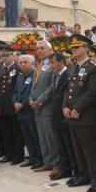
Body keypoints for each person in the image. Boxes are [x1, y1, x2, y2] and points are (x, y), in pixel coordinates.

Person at [62, 35, 96, 192]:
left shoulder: (94, 68)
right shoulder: (75, 68)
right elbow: (68, 91)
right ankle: (83, 176)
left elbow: (91, 93)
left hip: (86, 116)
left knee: (90, 150)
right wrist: (64, 106)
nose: (73, 50)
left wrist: (77, 109)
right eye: (72, 47)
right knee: (78, 149)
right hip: (72, 116)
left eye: (76, 47)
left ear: (86, 49)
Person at [29, 40, 58, 171]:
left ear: (50, 50)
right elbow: (33, 87)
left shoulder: (52, 66)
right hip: (37, 108)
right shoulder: (39, 66)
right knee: (42, 138)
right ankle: (47, 163)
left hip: (47, 107)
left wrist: (40, 101)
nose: (39, 51)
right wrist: (31, 99)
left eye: (42, 48)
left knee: (51, 137)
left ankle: (57, 164)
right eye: (37, 48)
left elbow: (52, 86)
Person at [48, 52, 77, 182]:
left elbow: (68, 95)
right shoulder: (56, 76)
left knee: (70, 146)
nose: (51, 66)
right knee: (61, 145)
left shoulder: (68, 75)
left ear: (61, 62)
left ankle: (75, 170)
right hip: (56, 116)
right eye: (50, 63)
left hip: (65, 116)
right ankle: (65, 169)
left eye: (53, 63)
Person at [12, 54, 43, 169]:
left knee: (36, 137)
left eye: (25, 62)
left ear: (33, 63)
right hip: (20, 112)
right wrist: (15, 102)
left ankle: (40, 159)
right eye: (21, 63)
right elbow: (15, 92)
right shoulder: (20, 77)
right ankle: (32, 157)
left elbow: (32, 93)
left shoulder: (36, 75)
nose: (23, 65)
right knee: (27, 137)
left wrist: (22, 104)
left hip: (30, 110)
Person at [0, 45, 24, 165]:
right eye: (3, 56)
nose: (5, 58)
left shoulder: (17, 68)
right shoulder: (2, 68)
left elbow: (20, 87)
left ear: (12, 56)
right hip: (3, 105)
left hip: (13, 105)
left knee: (16, 132)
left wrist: (17, 102)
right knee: (6, 131)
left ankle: (18, 155)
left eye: (7, 55)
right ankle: (9, 154)